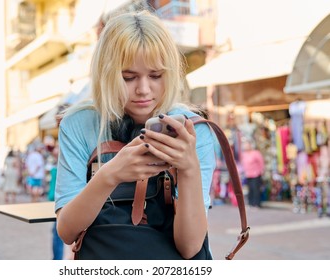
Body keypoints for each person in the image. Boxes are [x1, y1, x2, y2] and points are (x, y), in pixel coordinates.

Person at [55, 10, 216, 260]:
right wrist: (110, 175)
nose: (143, 89)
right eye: (128, 77)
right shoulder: (78, 124)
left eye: (155, 75)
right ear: (105, 74)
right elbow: (66, 231)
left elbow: (190, 247)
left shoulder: (192, 129)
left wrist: (189, 169)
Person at [241, 139, 265, 208]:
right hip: (248, 174)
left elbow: (261, 163)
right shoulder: (244, 154)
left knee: (256, 189)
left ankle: (257, 204)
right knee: (250, 189)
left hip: (256, 174)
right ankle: (251, 203)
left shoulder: (256, 153)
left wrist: (261, 170)